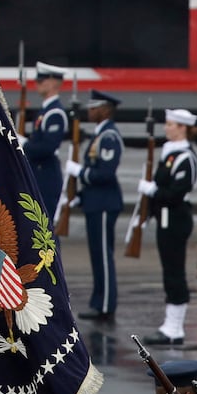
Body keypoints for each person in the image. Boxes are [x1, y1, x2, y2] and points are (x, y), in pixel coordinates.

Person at [138, 108, 197, 346]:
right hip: (165, 218)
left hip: (176, 219)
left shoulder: (185, 157)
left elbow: (176, 192)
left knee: (175, 272)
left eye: (171, 124)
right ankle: (169, 324)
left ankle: (175, 327)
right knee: (169, 272)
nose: (167, 128)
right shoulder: (169, 153)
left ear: (183, 127)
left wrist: (153, 191)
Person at [66, 90, 123, 321]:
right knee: (97, 256)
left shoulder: (109, 136)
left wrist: (80, 172)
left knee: (103, 256)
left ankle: (106, 304)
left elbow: (105, 174)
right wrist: (80, 196)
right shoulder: (100, 134)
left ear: (105, 109)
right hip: (95, 202)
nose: (90, 112)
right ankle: (99, 301)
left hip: (104, 204)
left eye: (94, 107)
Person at [20, 62, 68, 214]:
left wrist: (23, 143)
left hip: (46, 175)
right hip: (38, 174)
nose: (37, 84)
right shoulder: (45, 110)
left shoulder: (55, 113)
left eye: (42, 80)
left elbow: (47, 147)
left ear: (54, 82)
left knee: (46, 229)